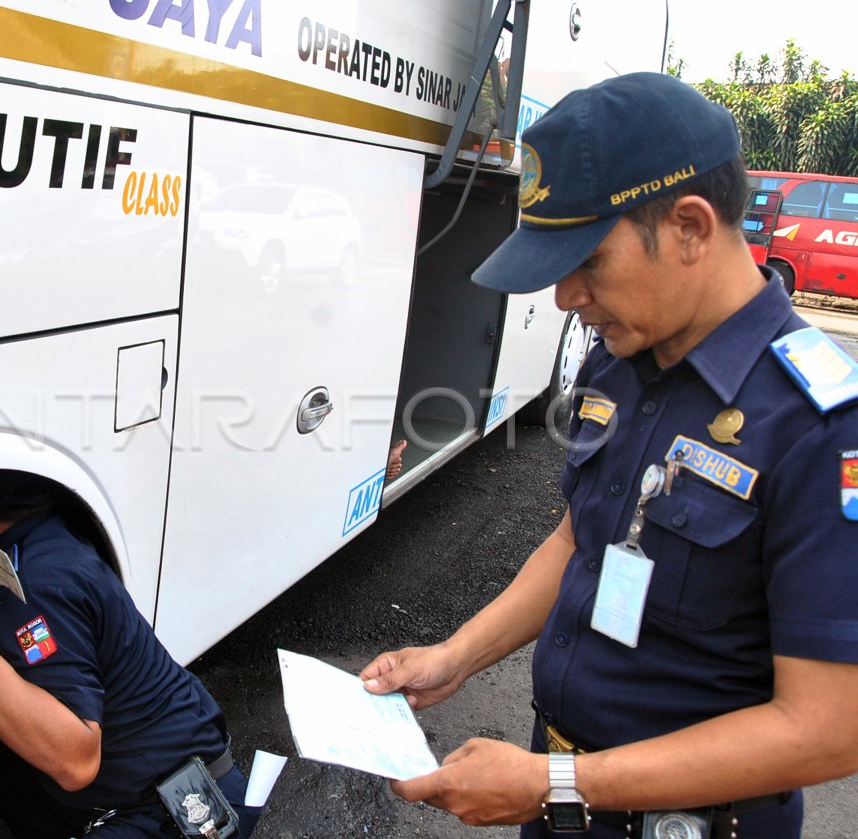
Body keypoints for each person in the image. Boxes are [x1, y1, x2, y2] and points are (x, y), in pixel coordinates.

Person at [360, 72, 858, 837]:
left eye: (587, 262)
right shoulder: (621, 362)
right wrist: (455, 656)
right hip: (559, 798)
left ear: (690, 227)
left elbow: (827, 728)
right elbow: (578, 541)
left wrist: (555, 781)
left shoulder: (824, 426)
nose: (565, 299)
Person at [0, 470, 262, 837]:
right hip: (177, 784)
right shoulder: (50, 537)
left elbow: (76, 760)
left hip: (180, 812)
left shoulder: (37, 585)